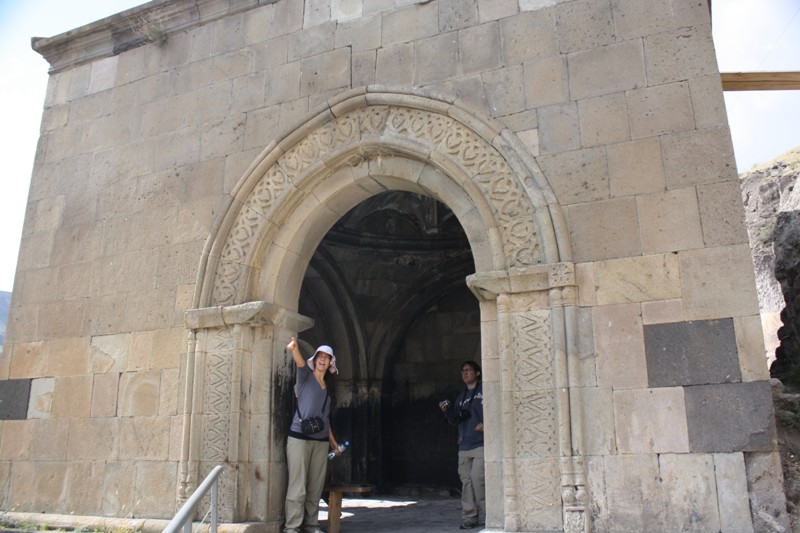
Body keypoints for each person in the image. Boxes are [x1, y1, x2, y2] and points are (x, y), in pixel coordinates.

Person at [284, 336, 344, 533]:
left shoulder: (328, 389)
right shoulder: (305, 377)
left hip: (320, 441)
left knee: (315, 487)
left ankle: (311, 525)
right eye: (320, 356)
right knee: (297, 485)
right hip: (299, 438)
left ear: (330, 363)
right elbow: (300, 362)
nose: (323, 360)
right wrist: (294, 348)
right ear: (315, 359)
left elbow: (326, 421)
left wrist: (334, 444)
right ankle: (292, 527)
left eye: (327, 357)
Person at [439, 360, 485, 530]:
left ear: (478, 373)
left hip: (481, 444)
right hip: (464, 445)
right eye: (463, 371)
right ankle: (469, 518)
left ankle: (491, 514)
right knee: (466, 483)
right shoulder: (461, 397)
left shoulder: (485, 391)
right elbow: (455, 420)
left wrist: (487, 425)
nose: (465, 373)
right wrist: (447, 412)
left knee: (478, 480)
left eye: (469, 370)